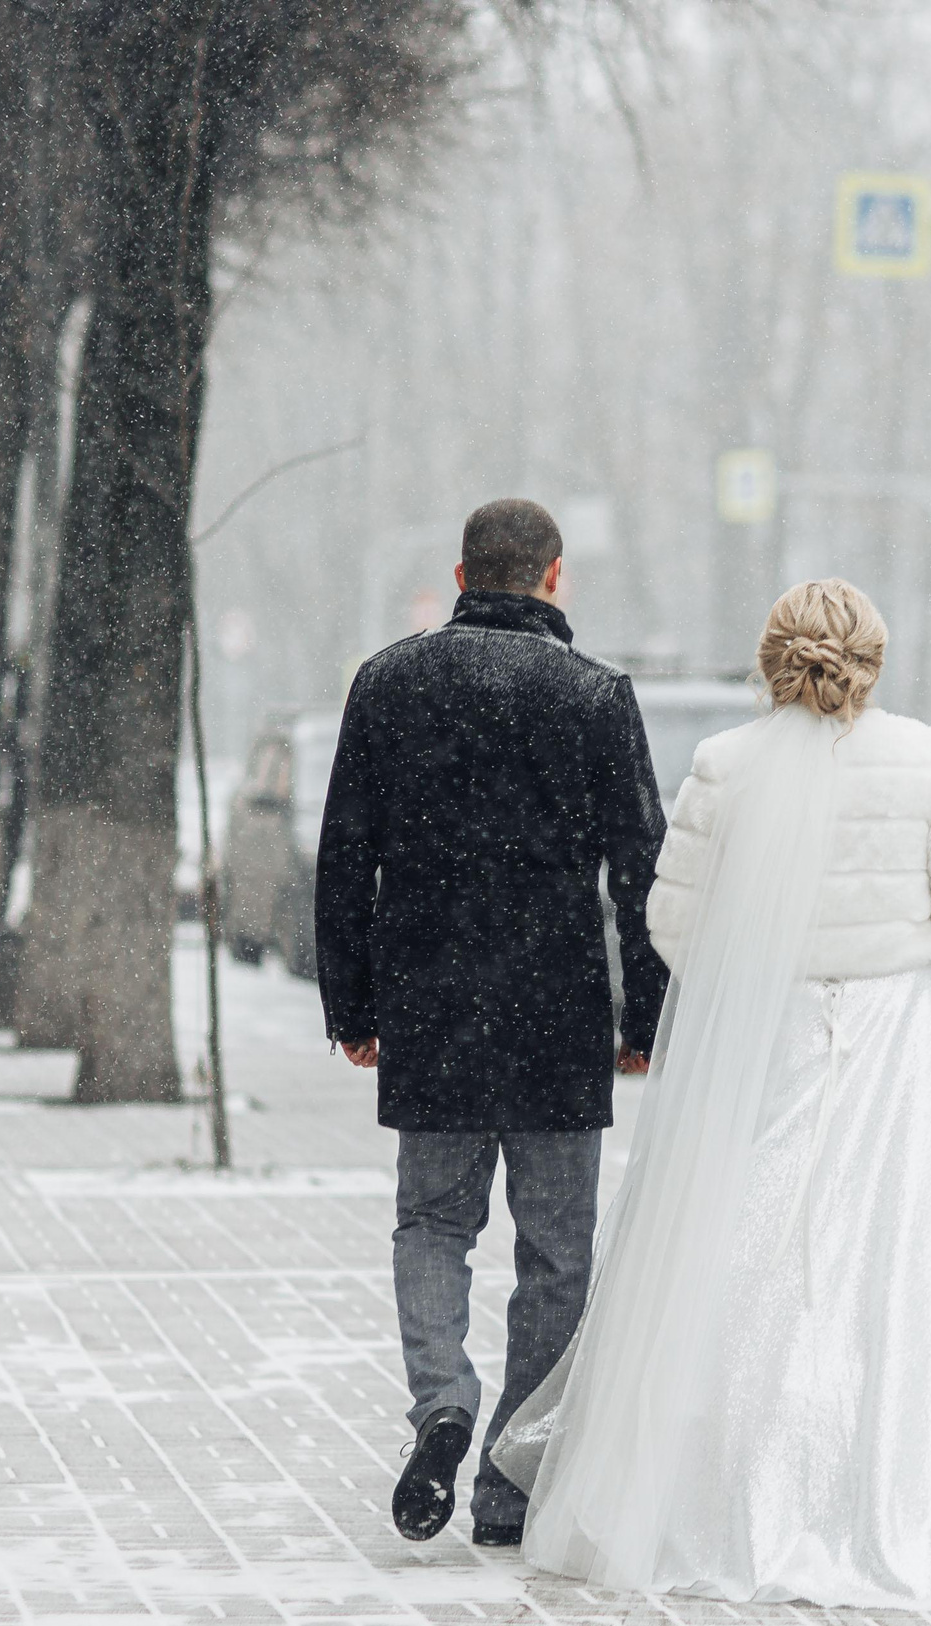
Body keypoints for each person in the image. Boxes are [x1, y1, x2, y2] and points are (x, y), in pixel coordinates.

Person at [492, 579, 931, 1611]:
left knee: (743, 1256)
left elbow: (674, 931)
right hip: (894, 1044)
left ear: (772, 658)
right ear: (871, 658)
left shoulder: (724, 767)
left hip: (765, 1045)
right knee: (909, 1268)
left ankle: (722, 1493)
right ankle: (900, 1487)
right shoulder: (921, 758)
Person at [315, 498, 670, 1548]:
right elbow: (640, 872)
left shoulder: (388, 684)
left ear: (461, 573)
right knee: (556, 1252)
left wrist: (354, 1004)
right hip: (557, 1012)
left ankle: (442, 1405)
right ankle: (512, 1481)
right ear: (553, 579)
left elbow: (346, 855)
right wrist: (642, 1014)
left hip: (430, 1005)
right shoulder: (596, 696)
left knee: (432, 1223)